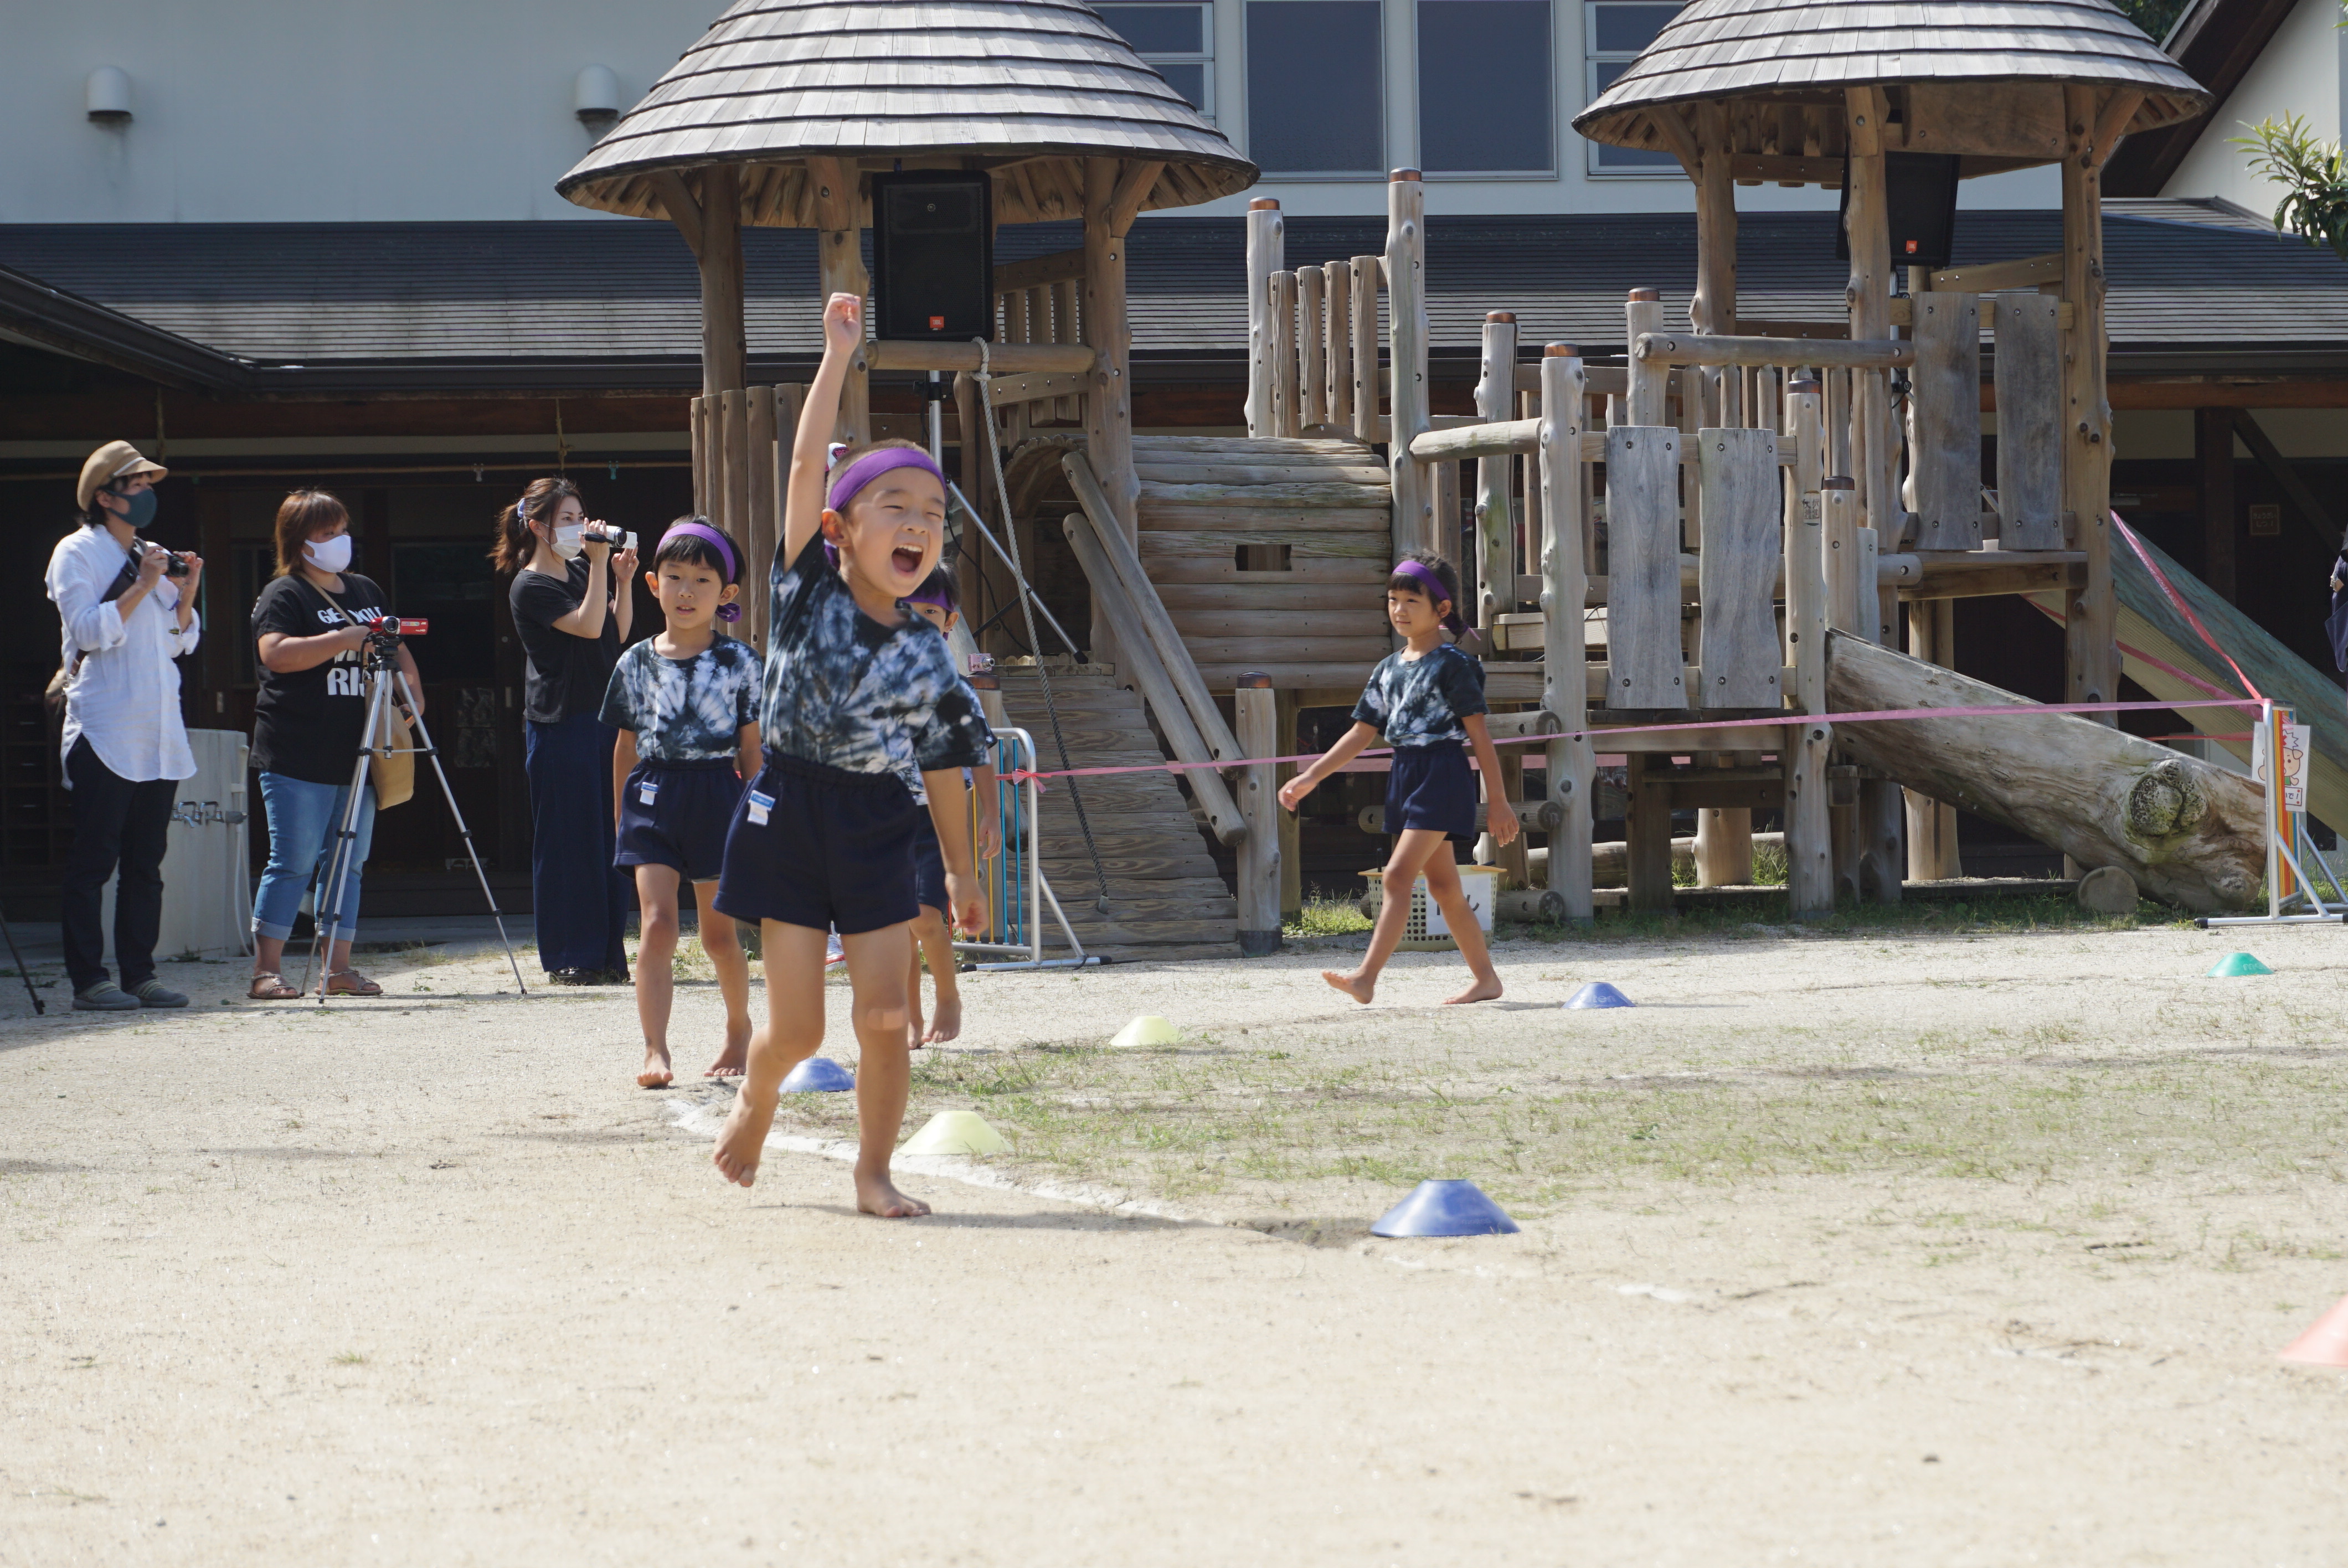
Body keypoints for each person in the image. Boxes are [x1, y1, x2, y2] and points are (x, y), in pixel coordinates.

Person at [709, 291, 992, 1217]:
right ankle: (756, 1099)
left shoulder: (927, 652)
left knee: (880, 1018)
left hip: (876, 819)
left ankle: (873, 1172)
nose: (916, 524)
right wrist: (837, 355)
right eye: (893, 506)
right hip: (788, 810)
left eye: (932, 514)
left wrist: (959, 871)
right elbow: (801, 463)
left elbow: (948, 764)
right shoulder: (800, 592)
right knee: (795, 1028)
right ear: (838, 531)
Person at [1279, 552, 1517, 1007]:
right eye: (1392, 600)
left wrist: (1499, 800)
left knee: (1396, 878)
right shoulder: (1387, 668)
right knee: (1444, 887)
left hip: (1443, 773)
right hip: (1405, 773)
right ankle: (1487, 980)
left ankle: (1366, 978)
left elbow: (1480, 736)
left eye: (1411, 600)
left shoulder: (1454, 665)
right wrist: (1309, 777)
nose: (1399, 610)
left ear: (1441, 610)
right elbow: (1361, 734)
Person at [245, 489, 424, 1000]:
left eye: (341, 530)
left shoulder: (365, 589)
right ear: (300, 544)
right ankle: (266, 970)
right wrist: (342, 640)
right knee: (294, 860)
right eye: (326, 534)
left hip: (360, 752)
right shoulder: (285, 594)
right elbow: (275, 654)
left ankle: (338, 968)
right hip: (296, 751)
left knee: (349, 861)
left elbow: (399, 649)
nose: (339, 541)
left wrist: (411, 694)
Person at [602, 519, 761, 1087]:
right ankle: (655, 1051)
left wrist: (760, 814)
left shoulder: (740, 663)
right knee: (658, 924)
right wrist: (624, 814)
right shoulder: (634, 663)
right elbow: (624, 746)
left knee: (720, 937)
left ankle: (739, 1030)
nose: (687, 590)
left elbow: (752, 750)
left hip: (720, 795)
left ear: (727, 594)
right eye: (675, 577)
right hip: (653, 795)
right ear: (652, 583)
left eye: (701, 579)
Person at [45, 440, 202, 1012]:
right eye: (136, 485)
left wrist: (184, 595)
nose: (146, 494)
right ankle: (90, 980)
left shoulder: (150, 553)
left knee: (146, 862)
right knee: (94, 860)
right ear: (105, 496)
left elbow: (179, 641)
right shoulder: (76, 552)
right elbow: (87, 632)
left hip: (158, 729)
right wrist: (142, 585)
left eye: (146, 484)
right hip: (105, 725)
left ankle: (141, 974)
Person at [492, 477, 637, 983]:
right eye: (569, 520)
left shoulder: (582, 571)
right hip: (559, 724)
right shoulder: (529, 584)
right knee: (568, 842)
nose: (581, 527)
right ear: (537, 527)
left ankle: (607, 955)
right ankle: (571, 956)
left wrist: (621, 579)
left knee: (610, 839)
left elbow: (616, 634)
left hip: (602, 719)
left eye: (581, 516)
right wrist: (598, 568)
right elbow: (587, 626)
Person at [896, 569, 1001, 1047]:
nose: (917, 620)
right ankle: (910, 1016)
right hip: (883, 816)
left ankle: (948, 994)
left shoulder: (956, 688)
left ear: (949, 620)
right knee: (896, 927)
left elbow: (979, 752)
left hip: (938, 820)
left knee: (923, 916)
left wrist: (991, 813)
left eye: (930, 612)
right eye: (907, 609)